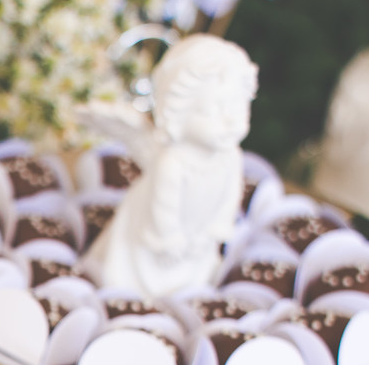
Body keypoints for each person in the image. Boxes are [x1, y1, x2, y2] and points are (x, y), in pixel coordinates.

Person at [90, 34, 258, 299]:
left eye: (239, 111)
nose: (230, 122)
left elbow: (229, 197)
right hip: (151, 243)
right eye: (213, 111)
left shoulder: (230, 157)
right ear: (177, 111)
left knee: (192, 281)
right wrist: (170, 239)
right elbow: (163, 206)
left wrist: (217, 227)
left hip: (198, 243)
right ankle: (126, 296)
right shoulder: (173, 161)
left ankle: (185, 300)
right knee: (130, 278)